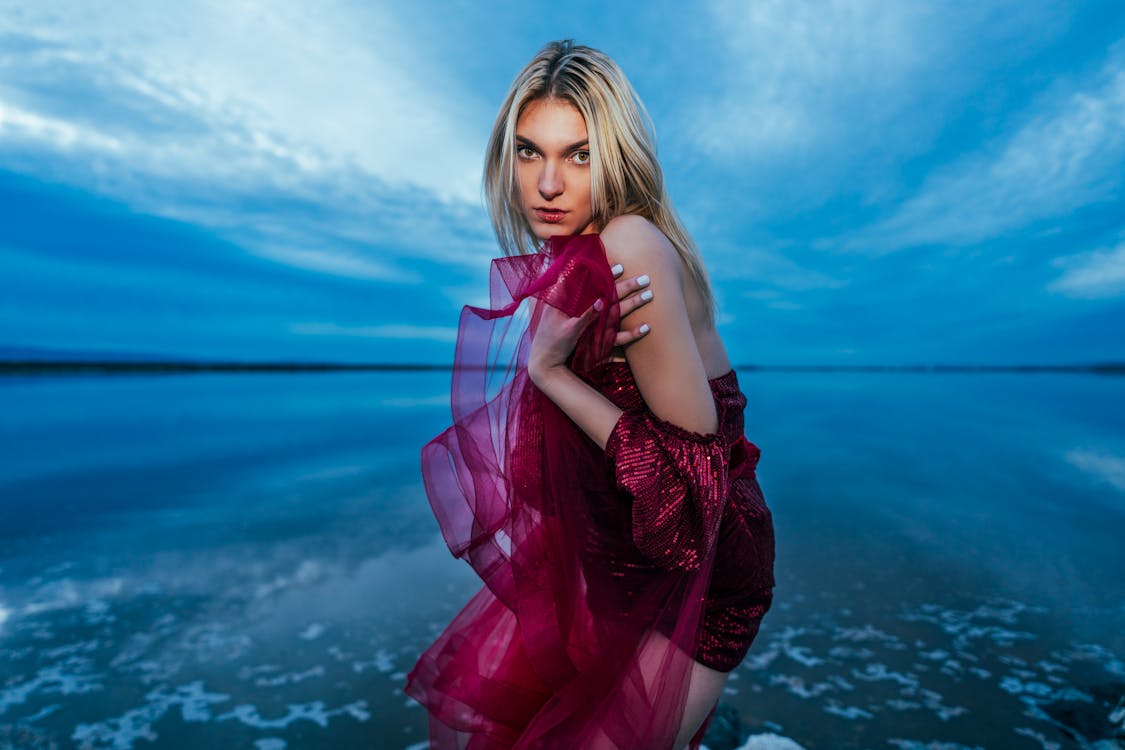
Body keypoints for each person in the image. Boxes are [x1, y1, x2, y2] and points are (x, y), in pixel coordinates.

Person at [405, 39, 775, 749]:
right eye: (528, 152)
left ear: (614, 159)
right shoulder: (580, 251)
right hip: (627, 563)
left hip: (697, 582)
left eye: (578, 155)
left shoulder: (629, 243)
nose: (547, 184)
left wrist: (551, 375)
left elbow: (690, 488)